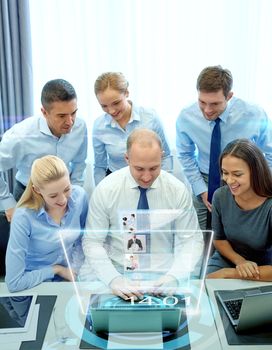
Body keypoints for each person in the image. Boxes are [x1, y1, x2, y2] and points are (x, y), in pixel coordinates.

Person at [81, 128, 203, 300]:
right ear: (126, 158)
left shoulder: (177, 190)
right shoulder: (106, 190)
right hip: (118, 272)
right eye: (139, 169)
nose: (146, 177)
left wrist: (174, 276)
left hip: (163, 275)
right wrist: (113, 279)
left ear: (162, 157)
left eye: (154, 168)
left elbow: (191, 240)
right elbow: (93, 241)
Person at [176, 65, 272, 230]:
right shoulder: (186, 117)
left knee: (241, 234)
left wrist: (258, 185)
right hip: (205, 179)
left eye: (214, 104)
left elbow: (269, 154)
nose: (207, 110)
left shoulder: (254, 114)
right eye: (202, 102)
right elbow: (185, 155)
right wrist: (201, 189)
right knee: (202, 235)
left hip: (245, 180)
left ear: (229, 96)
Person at [0, 78, 88, 222]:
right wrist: (7, 203)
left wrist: (73, 194)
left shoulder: (80, 127)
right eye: (61, 116)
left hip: (64, 194)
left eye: (73, 113)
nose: (70, 122)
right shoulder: (21, 135)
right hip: (30, 195)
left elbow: (79, 163)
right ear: (44, 112)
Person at [5, 155, 88, 292]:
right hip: (34, 283)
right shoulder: (23, 217)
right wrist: (56, 270)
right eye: (53, 196)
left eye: (67, 189)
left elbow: (84, 238)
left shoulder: (80, 197)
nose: (63, 200)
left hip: (70, 278)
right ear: (37, 190)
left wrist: (78, 267)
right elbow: (14, 283)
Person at [206, 139, 272, 281]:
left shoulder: (269, 205)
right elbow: (219, 239)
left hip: (265, 268)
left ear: (255, 172)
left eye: (237, 174)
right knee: (204, 292)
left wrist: (230, 273)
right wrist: (240, 262)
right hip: (228, 258)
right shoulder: (220, 196)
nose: (229, 180)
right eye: (225, 172)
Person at [92, 72, 172, 185]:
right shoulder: (99, 126)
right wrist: (100, 191)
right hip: (116, 182)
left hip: (150, 179)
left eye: (116, 103)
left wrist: (163, 185)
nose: (111, 111)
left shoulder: (150, 118)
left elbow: (166, 156)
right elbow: (100, 166)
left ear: (126, 93)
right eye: (104, 106)